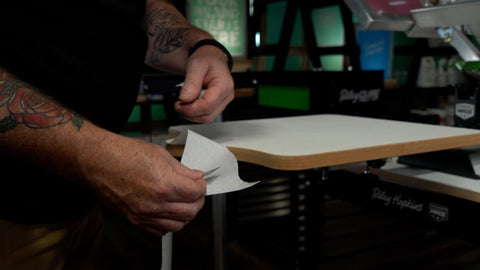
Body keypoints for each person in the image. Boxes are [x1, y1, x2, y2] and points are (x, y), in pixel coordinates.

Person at [0, 0, 234, 269]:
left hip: (86, 203)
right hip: (11, 210)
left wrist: (203, 46)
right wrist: (100, 156)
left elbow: (140, 10)